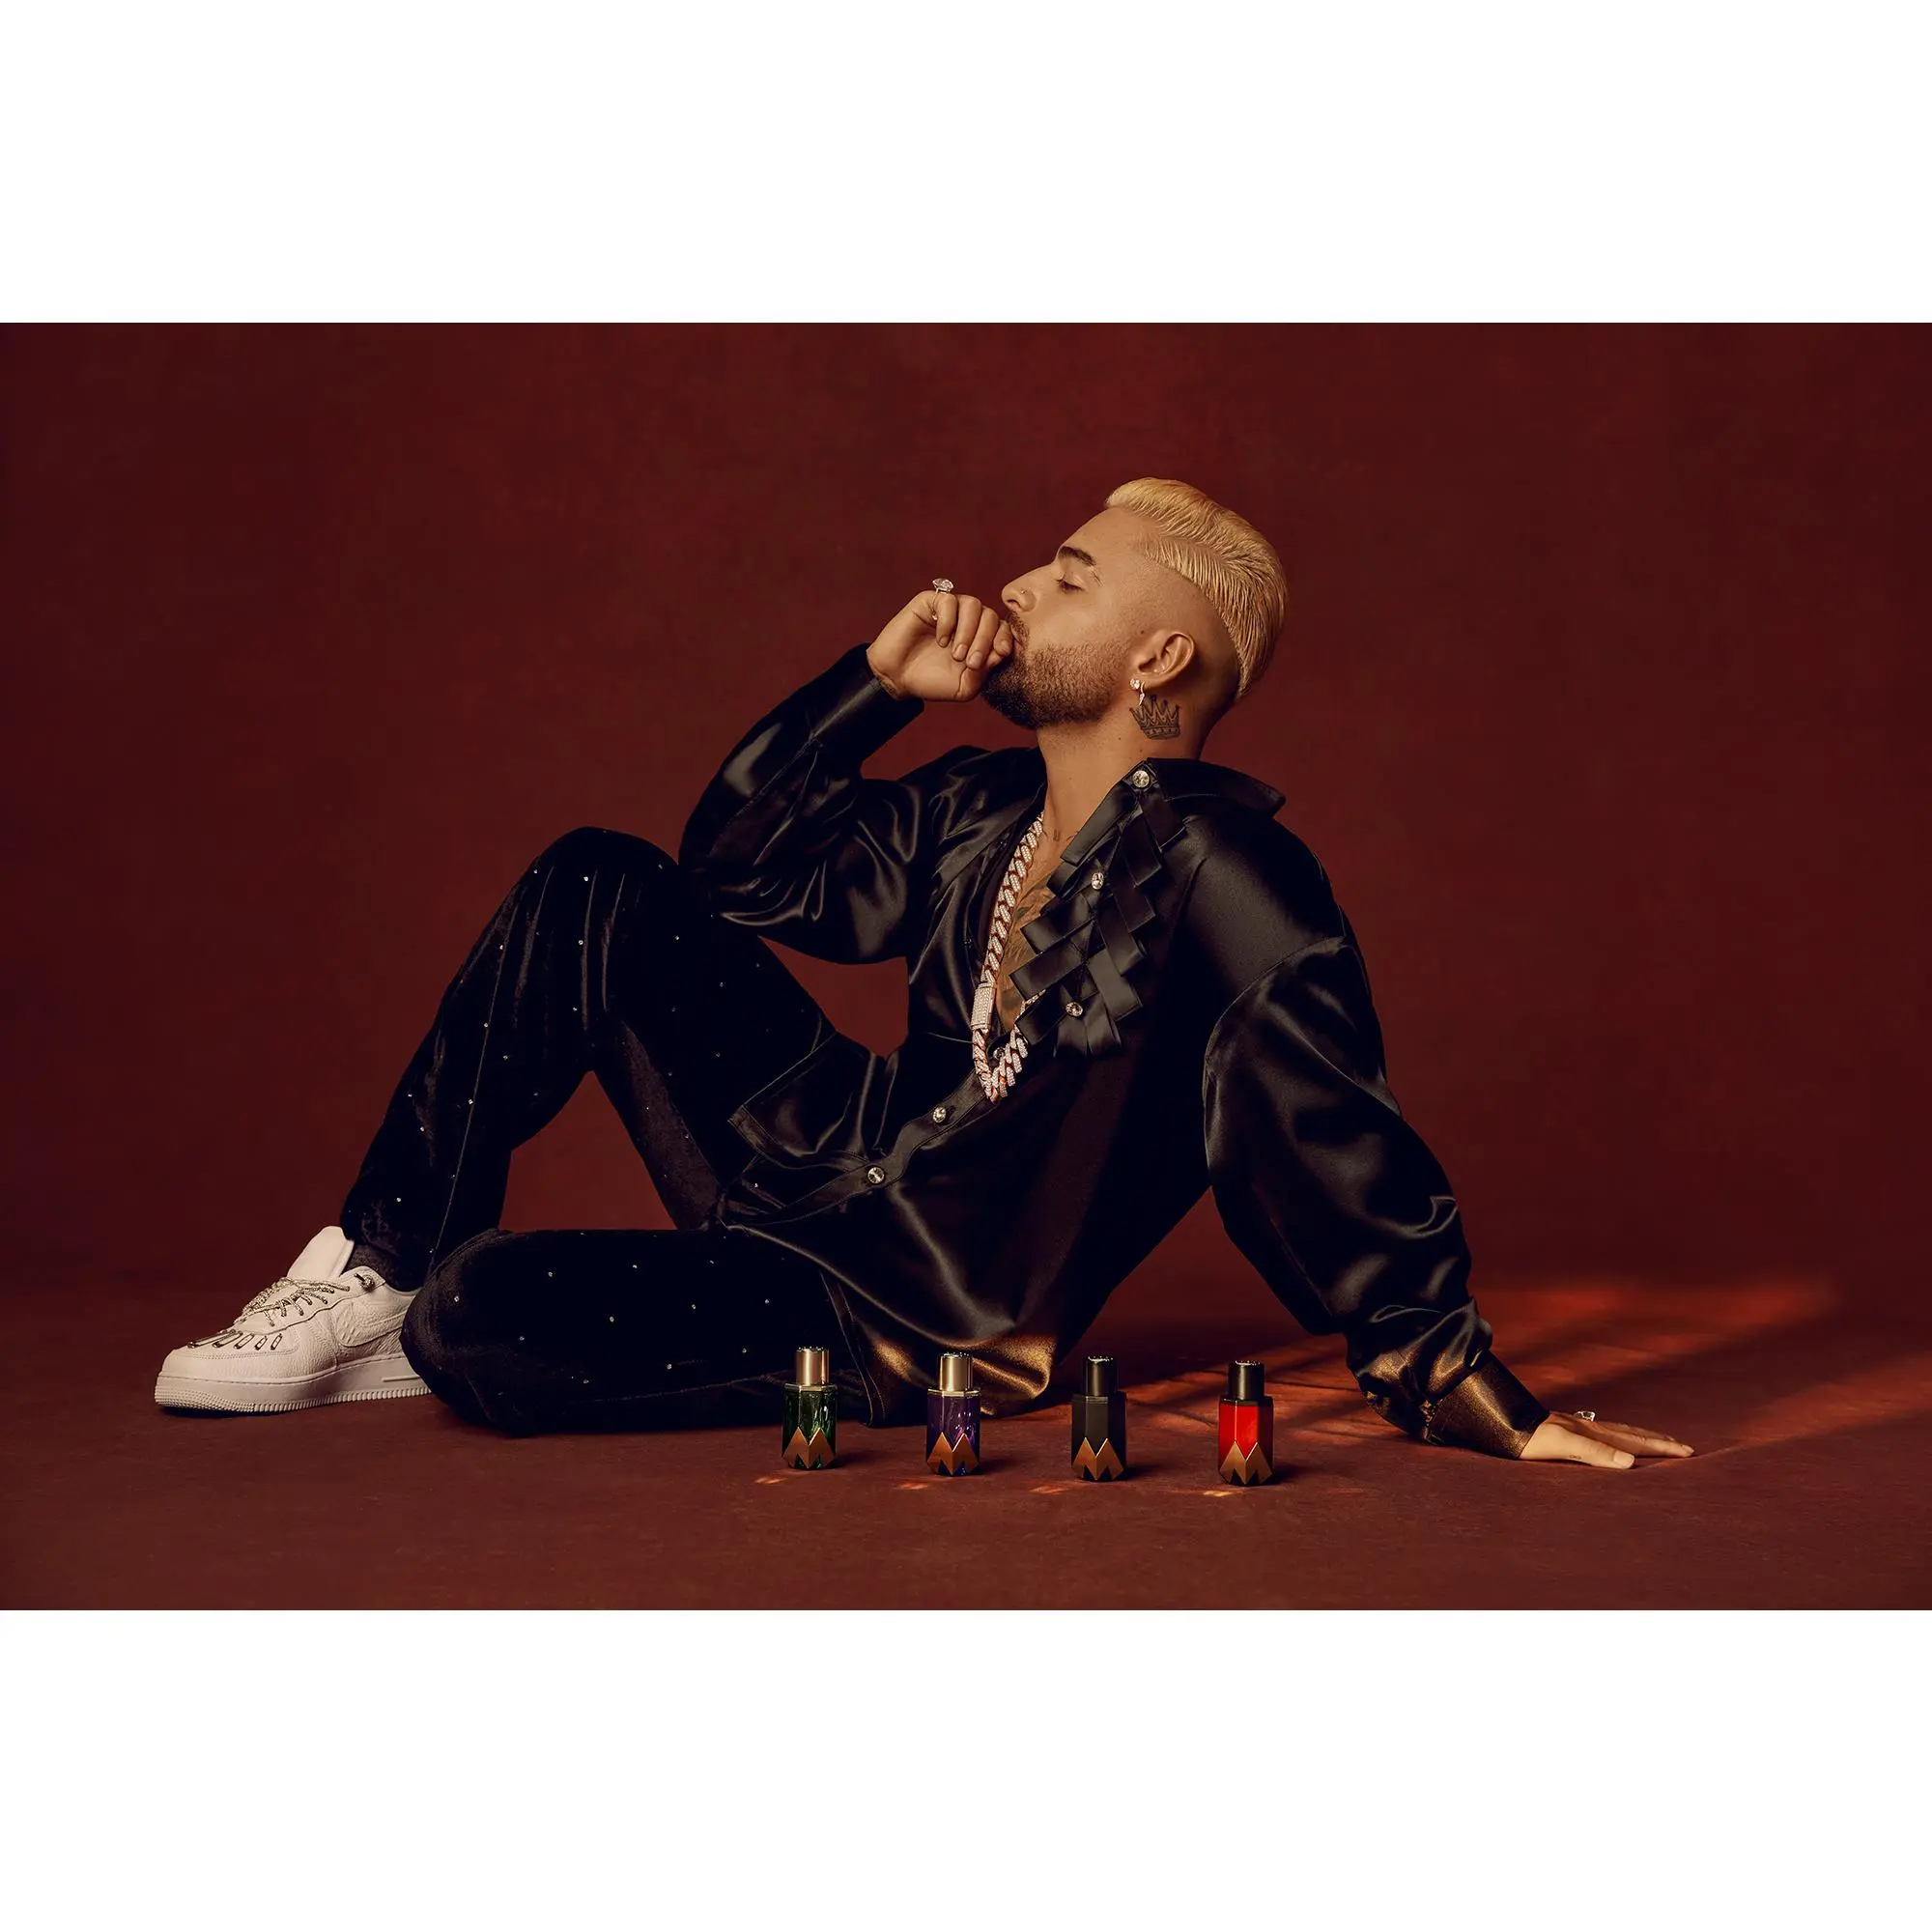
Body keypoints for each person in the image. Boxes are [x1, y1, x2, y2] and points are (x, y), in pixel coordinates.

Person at [155, 476, 1692, 1469]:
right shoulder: (981, 807)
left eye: (1070, 578)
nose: (1018, 586)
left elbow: (1328, 1135)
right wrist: (873, 689)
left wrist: (1461, 1384)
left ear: (1159, 660)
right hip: (811, 1156)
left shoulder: (1229, 879)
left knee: (486, 1315)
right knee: (594, 879)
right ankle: (370, 1266)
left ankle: (426, 1309)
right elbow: (740, 871)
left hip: (906, 1313)